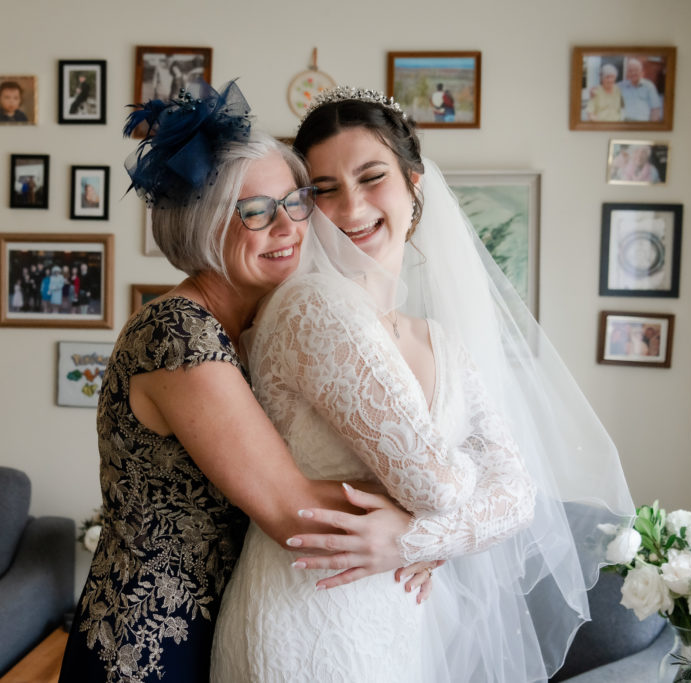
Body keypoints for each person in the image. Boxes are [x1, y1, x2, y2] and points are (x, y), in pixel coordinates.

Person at [211, 87, 634, 682]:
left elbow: (519, 494)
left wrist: (407, 540)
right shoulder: (313, 307)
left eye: (371, 177)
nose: (351, 207)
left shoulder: (439, 340)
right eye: (324, 190)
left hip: (398, 611)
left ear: (414, 185)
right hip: (312, 611)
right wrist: (441, 518)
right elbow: (436, 484)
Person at [58, 81, 425, 683]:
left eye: (296, 201)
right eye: (255, 211)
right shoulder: (177, 333)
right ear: (204, 225)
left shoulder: (250, 330)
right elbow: (290, 508)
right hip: (149, 644)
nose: (287, 227)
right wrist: (428, 530)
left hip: (226, 626)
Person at [620, 57, 663, 122]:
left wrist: (652, 127)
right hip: (624, 123)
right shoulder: (621, 86)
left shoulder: (649, 86)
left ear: (642, 72)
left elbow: (655, 109)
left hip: (642, 124)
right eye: (630, 70)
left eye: (636, 70)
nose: (633, 73)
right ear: (627, 72)